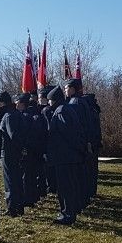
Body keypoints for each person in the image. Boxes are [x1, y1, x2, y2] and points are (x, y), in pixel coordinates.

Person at [46, 87, 87, 224]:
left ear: (55, 100)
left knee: (65, 187)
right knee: (70, 185)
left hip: (64, 156)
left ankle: (68, 214)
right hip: (69, 156)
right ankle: (70, 211)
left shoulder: (61, 111)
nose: (48, 103)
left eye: (50, 100)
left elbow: (68, 134)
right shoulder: (68, 109)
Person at [66, 78, 100, 206]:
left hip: (78, 144)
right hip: (85, 143)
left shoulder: (75, 103)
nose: (65, 90)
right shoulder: (82, 102)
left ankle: (80, 199)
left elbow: (77, 126)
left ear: (73, 89)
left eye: (66, 88)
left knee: (79, 174)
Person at [0, 91, 26, 217]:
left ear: (2, 102)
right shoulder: (16, 114)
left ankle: (12, 207)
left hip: (8, 152)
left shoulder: (8, 116)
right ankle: (19, 206)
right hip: (15, 152)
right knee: (17, 179)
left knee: (10, 180)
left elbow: (12, 135)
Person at [19, 94, 44, 209]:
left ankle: (27, 198)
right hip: (36, 149)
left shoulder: (24, 116)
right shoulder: (37, 114)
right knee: (33, 174)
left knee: (26, 175)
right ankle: (34, 196)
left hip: (27, 149)